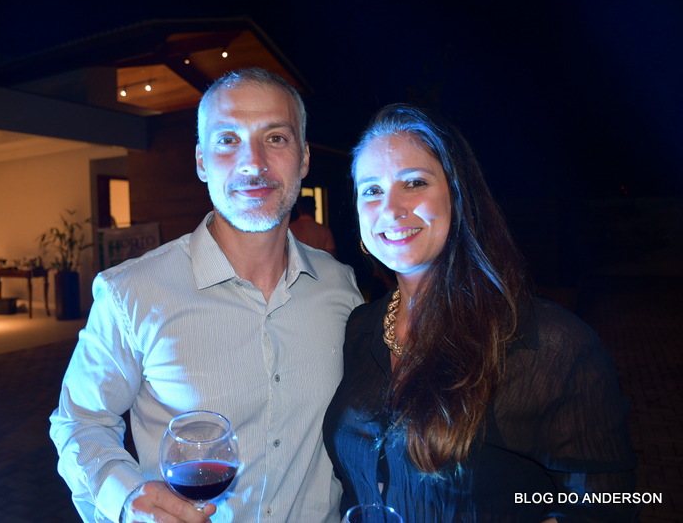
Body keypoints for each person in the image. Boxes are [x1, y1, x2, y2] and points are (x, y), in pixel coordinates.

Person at [50, 68, 363, 523]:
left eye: (276, 138)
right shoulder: (131, 293)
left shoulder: (341, 287)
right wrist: (128, 497)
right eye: (228, 140)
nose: (253, 162)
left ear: (304, 159)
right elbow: (80, 421)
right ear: (201, 162)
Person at [323, 104, 638, 522]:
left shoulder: (550, 345)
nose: (391, 208)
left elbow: (611, 503)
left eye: (414, 182)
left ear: (458, 195)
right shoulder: (360, 329)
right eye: (372, 190)